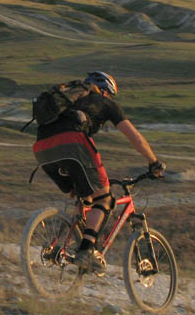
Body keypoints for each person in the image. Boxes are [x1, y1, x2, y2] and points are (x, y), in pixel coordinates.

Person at [32, 71, 165, 271]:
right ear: (105, 91)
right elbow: (134, 136)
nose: (110, 98)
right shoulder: (106, 103)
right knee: (104, 199)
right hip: (72, 143)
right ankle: (86, 251)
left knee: (84, 196)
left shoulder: (68, 102)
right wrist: (154, 162)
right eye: (110, 95)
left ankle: (63, 244)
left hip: (42, 149)